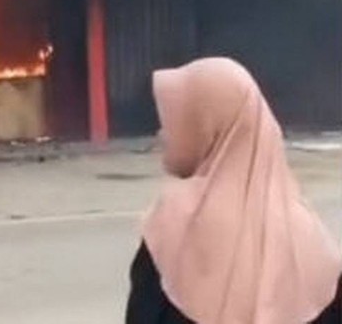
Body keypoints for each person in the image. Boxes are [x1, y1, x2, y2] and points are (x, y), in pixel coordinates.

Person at [125, 58, 342, 323]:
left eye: (176, 121)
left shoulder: (173, 225)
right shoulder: (311, 239)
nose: (162, 133)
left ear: (206, 125)